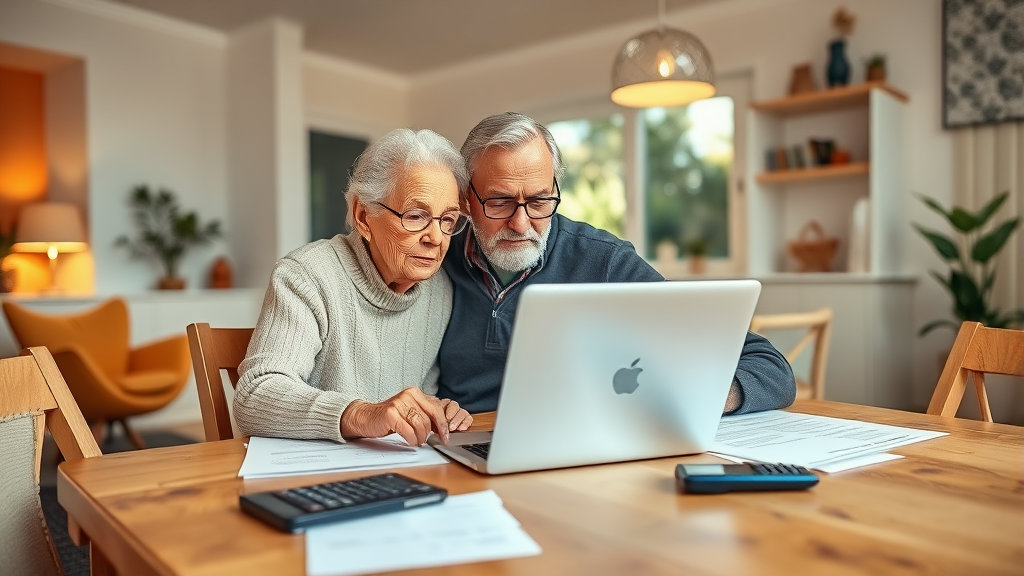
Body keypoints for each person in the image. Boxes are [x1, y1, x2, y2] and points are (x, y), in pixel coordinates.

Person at [437, 112, 796, 414]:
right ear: (467, 199)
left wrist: (707, 395)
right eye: (499, 203)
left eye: (539, 201)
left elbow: (770, 368)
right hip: (462, 448)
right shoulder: (434, 257)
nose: (521, 224)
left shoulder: (604, 261)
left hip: (574, 449)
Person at [235, 128, 473, 446]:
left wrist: (433, 410)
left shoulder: (439, 290)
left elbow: (411, 399)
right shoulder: (307, 275)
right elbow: (254, 396)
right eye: (416, 216)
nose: (436, 238)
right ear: (363, 216)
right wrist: (360, 414)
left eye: (447, 220)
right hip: (309, 474)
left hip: (393, 471)